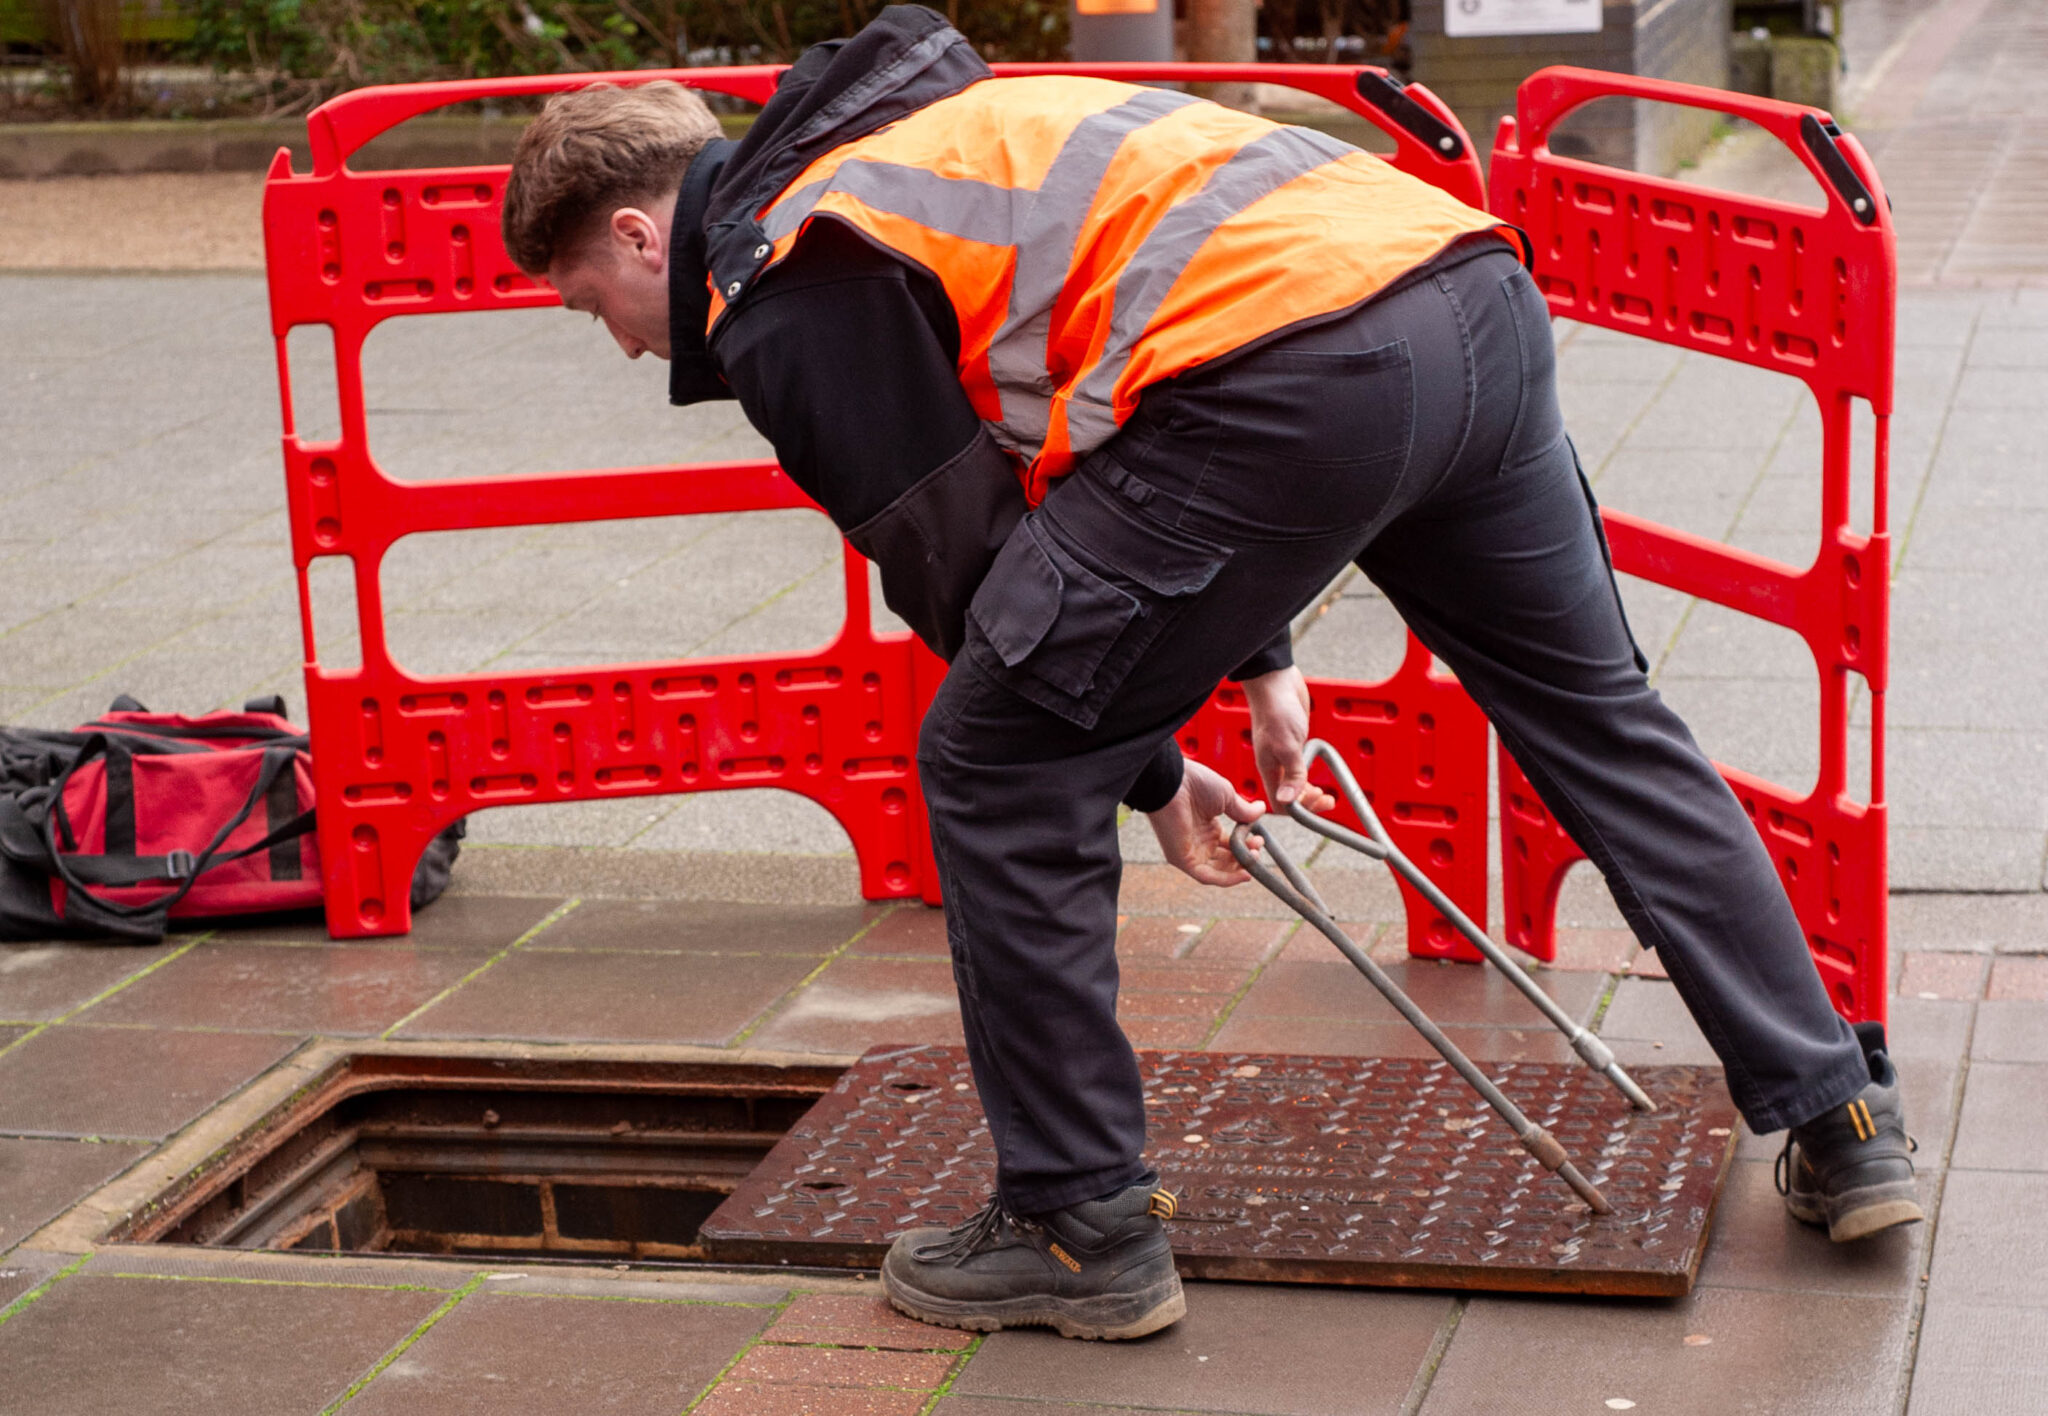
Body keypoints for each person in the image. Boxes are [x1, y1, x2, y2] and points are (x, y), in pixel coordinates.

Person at [502, 4, 1921, 1341]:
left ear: (640, 232)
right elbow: (1136, 379)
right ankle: (1838, 1115)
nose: (625, 341)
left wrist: (1153, 771)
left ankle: (1078, 1227)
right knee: (1602, 716)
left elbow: (972, 574)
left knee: (993, 760)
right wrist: (1258, 666)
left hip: (1294, 375)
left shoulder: (788, 272)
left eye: (591, 305)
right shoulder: (922, 136)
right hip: (1464, 296)